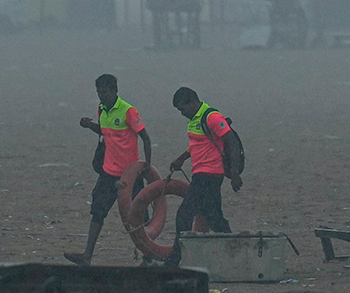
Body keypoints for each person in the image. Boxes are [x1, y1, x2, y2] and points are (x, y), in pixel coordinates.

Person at [64, 74, 153, 266]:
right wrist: (90, 126)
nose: (101, 96)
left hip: (130, 173)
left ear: (114, 91)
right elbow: (106, 131)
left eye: (105, 92)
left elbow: (145, 137)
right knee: (98, 212)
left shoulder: (128, 111)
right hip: (108, 172)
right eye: (99, 92)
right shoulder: (102, 110)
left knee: (139, 215)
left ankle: (149, 257)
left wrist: (146, 166)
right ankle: (87, 256)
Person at [163, 86, 242, 266]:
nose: (182, 113)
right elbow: (197, 144)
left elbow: (232, 143)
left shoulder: (211, 117)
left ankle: (175, 259)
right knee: (214, 217)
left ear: (192, 102)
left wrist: (235, 174)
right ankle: (235, 249)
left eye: (182, 108)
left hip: (210, 175)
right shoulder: (193, 120)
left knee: (184, 214)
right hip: (200, 173)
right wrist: (181, 159)